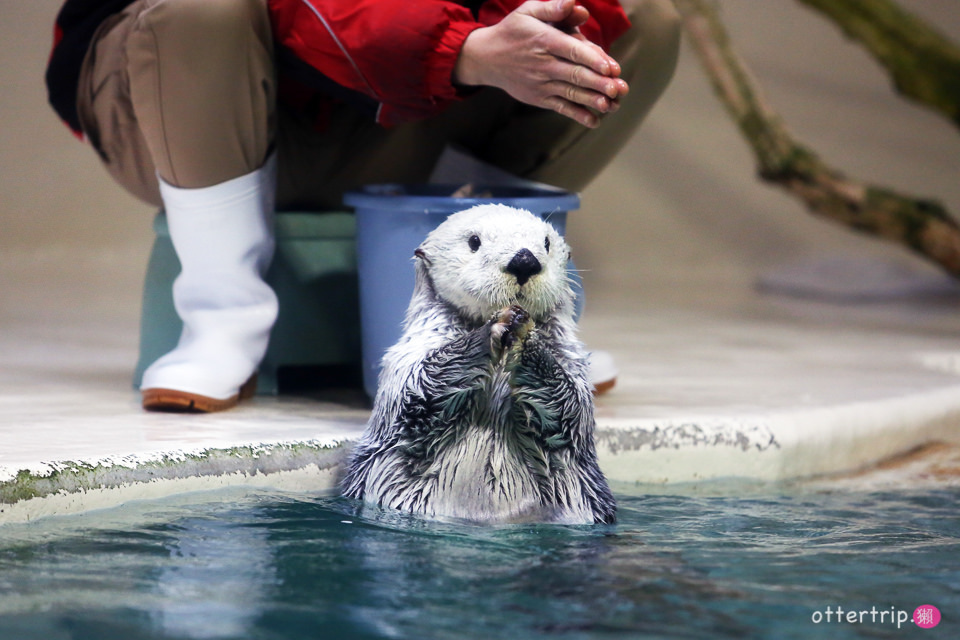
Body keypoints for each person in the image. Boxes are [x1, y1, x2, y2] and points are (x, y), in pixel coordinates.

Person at [46, 0, 681, 412]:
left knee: (642, 21)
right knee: (203, 6)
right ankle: (221, 318)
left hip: (383, 109)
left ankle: (483, 309)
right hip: (186, 95)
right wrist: (460, 50)